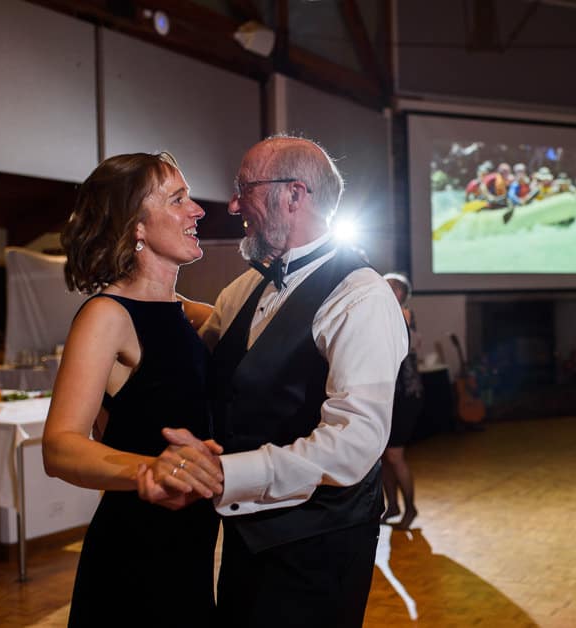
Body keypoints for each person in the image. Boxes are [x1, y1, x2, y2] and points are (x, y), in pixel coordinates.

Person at [139, 135, 408, 627]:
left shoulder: (361, 296)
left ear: (293, 195)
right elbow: (200, 371)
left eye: (246, 189)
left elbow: (354, 444)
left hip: (320, 543)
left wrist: (226, 475)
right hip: (244, 534)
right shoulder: (243, 289)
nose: (235, 204)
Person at [42, 152, 224, 627]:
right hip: (136, 558)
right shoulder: (108, 315)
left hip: (193, 548)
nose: (198, 210)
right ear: (136, 226)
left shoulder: (193, 315)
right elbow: (59, 447)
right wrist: (156, 468)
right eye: (177, 199)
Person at [381, 272, 425, 530]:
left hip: (406, 397)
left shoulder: (406, 319)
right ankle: (393, 506)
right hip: (387, 397)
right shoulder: (385, 317)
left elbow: (403, 349)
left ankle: (410, 508)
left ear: (397, 293)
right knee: (384, 457)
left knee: (395, 455)